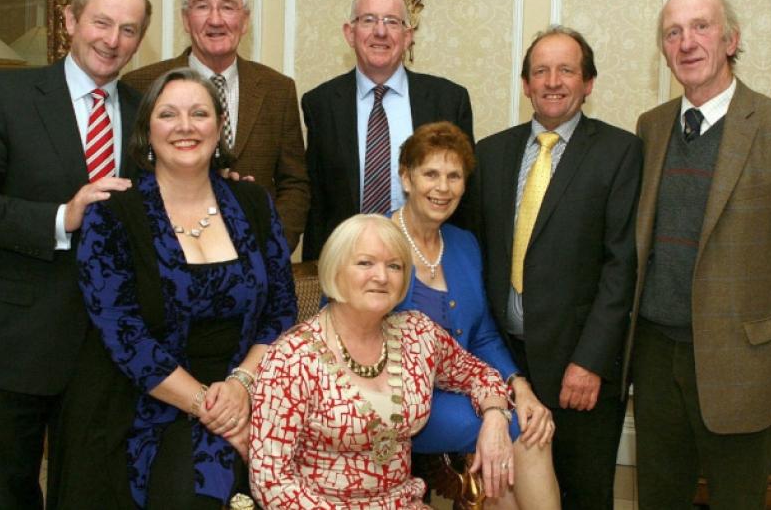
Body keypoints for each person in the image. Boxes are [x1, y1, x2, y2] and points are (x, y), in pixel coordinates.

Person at [51, 68, 296, 509]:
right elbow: (124, 335)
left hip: (247, 391)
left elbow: (280, 311)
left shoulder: (254, 203)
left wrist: (240, 387)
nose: (185, 126)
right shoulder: (112, 214)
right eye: (168, 114)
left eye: (199, 113)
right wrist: (211, 409)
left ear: (219, 127)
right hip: (144, 404)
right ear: (147, 130)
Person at [0, 0, 150, 508]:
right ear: (71, 20)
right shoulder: (3, 95)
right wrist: (62, 217)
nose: (112, 40)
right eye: (101, 22)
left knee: (90, 495)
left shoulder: (148, 113)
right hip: (15, 340)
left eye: (128, 29)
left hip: (107, 349)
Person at [472, 26, 643, 509]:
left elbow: (621, 266)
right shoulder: (490, 153)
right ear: (525, 84)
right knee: (509, 495)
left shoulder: (620, 152)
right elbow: (476, 256)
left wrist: (589, 361)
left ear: (588, 82)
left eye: (566, 70)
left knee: (583, 493)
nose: (552, 81)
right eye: (541, 71)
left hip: (579, 368)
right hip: (506, 363)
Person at [628, 0, 771, 510]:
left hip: (743, 363)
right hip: (655, 357)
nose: (687, 42)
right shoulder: (651, 127)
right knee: (658, 499)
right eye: (673, 33)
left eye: (701, 27)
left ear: (731, 40)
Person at [250, 214, 514, 508]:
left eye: (394, 266)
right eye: (365, 263)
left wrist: (495, 417)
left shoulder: (417, 334)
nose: (382, 276)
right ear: (335, 270)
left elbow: (481, 375)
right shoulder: (291, 358)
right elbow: (271, 480)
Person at [392, 121, 559, 509]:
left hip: (467, 391)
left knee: (533, 426)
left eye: (454, 176)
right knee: (519, 431)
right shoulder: (377, 239)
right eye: (431, 174)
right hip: (401, 403)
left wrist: (519, 386)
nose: (443, 187)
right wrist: (496, 412)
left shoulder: (463, 244)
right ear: (406, 178)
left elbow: (482, 335)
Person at [122, 0, 308, 251]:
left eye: (228, 7)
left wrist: (273, 246)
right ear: (186, 19)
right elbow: (131, 176)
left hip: (258, 255)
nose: (216, 19)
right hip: (166, 253)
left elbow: (294, 184)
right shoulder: (140, 85)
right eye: (202, 6)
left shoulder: (277, 89)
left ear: (244, 21)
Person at [301, 0, 474, 261]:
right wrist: (316, 268)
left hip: (428, 260)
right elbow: (317, 204)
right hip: (349, 263)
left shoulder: (449, 100)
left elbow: (464, 196)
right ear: (350, 33)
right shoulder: (321, 104)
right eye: (368, 20)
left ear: (407, 37)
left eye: (392, 22)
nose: (380, 32)